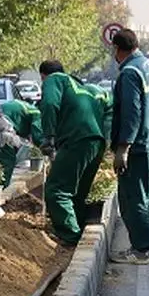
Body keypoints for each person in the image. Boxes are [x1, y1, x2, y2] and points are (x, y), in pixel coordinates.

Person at [110, 28, 149, 264]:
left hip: (137, 146)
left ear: (117, 49)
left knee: (132, 197)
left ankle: (141, 250)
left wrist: (123, 148)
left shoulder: (130, 72)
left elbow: (131, 112)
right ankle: (145, 246)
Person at [38, 59, 110, 248]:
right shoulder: (83, 87)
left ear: (43, 76)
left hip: (76, 140)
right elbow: (109, 109)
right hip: (97, 141)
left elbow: (49, 104)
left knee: (57, 190)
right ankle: (76, 228)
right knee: (77, 192)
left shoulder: (54, 80)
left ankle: (70, 236)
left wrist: (48, 136)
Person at [0, 97, 43, 188]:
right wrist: (46, 149)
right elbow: (37, 136)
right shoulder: (36, 113)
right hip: (3, 126)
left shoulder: (26, 107)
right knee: (8, 159)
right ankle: (3, 189)